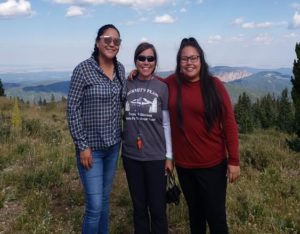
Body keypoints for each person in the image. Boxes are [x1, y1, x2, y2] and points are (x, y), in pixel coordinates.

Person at [164, 37, 240, 234]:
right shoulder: (172, 83)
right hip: (184, 166)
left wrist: (234, 160)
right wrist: (139, 71)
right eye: (184, 59)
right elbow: (152, 84)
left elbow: (229, 123)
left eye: (193, 58)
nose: (189, 63)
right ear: (178, 62)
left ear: (201, 59)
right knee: (195, 215)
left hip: (212, 165)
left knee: (216, 218)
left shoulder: (214, 85)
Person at [67, 24, 126, 234]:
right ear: (98, 42)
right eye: (107, 39)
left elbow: (124, 99)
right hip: (91, 151)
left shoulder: (121, 70)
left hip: (113, 147)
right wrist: (82, 146)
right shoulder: (83, 69)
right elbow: (72, 109)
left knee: (104, 200)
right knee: (94, 207)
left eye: (116, 40)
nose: (112, 43)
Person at [122, 42, 173, 234]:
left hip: (155, 157)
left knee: (158, 208)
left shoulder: (162, 87)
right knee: (139, 207)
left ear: (155, 62)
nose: (146, 62)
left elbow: (167, 124)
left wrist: (169, 156)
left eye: (150, 59)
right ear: (135, 61)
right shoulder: (126, 83)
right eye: (141, 58)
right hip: (131, 156)